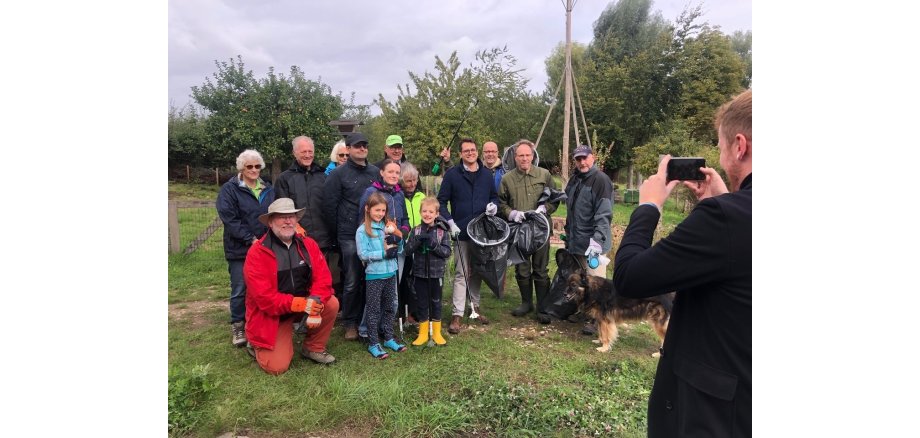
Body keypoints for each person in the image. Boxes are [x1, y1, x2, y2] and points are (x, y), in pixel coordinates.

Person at [613, 89, 751, 437]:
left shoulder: (726, 219)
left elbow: (630, 277)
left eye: (720, 148)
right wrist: (730, 200)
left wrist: (648, 206)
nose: (720, 159)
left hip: (715, 417)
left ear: (739, 146)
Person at [243, 198, 339, 374]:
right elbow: (265, 299)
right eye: (282, 217)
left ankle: (313, 347)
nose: (288, 221)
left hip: (303, 305)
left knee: (331, 303)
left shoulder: (308, 244)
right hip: (272, 314)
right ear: (271, 222)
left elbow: (323, 279)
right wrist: (301, 304)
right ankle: (255, 342)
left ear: (296, 220)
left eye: (292, 216)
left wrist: (315, 300)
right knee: (277, 367)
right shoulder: (257, 253)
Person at [436, 137, 499, 334]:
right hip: (461, 231)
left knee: (478, 270)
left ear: (477, 151)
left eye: (473, 150)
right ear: (460, 154)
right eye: (466, 151)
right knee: (461, 272)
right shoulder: (453, 175)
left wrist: (493, 206)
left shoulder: (487, 175)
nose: (470, 153)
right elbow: (441, 201)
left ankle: (474, 307)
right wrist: (450, 223)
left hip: (481, 231)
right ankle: (457, 312)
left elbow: (494, 196)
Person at [322, 132, 380, 341]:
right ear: (348, 149)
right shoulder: (338, 174)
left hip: (372, 233)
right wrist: (336, 234)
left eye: (364, 145)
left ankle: (371, 318)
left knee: (371, 277)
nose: (362, 149)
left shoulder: (375, 172)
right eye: (357, 146)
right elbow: (329, 206)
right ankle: (350, 322)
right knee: (352, 279)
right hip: (348, 235)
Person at [495, 139, 558, 324]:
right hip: (519, 231)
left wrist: (545, 209)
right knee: (522, 269)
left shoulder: (544, 175)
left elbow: (555, 199)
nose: (524, 158)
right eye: (520, 155)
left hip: (541, 230)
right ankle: (526, 303)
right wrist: (511, 213)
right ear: (515, 157)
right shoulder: (507, 179)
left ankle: (542, 307)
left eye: (527, 155)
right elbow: (501, 203)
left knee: (541, 269)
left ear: (533, 156)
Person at [216, 149, 275, 347]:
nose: (253, 170)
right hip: (240, 248)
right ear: (241, 167)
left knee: (264, 286)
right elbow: (229, 219)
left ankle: (260, 322)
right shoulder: (230, 189)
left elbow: (273, 215)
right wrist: (250, 239)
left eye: (257, 166)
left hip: (266, 247)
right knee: (240, 287)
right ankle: (238, 325)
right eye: (249, 166)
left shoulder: (268, 187)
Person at [275, 136, 339, 299]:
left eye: (310, 151)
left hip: (322, 237)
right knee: (301, 277)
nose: (307, 155)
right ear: (295, 153)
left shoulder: (323, 175)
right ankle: (299, 312)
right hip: (298, 238)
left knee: (321, 277)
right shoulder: (285, 178)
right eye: (303, 151)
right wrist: (295, 227)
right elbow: (282, 208)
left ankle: (320, 308)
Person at [563, 144, 614, 335]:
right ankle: (585, 313)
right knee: (581, 281)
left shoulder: (600, 181)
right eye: (578, 159)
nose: (582, 162)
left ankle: (598, 320)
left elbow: (604, 215)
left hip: (594, 244)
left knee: (597, 285)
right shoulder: (575, 179)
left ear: (592, 158)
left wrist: (597, 243)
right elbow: (570, 208)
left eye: (585, 158)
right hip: (577, 242)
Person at [356, 159, 409, 340]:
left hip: (396, 248)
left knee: (391, 294)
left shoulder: (399, 194)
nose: (394, 175)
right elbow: (363, 220)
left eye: (397, 172)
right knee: (374, 297)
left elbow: (406, 220)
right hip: (377, 251)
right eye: (390, 172)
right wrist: (379, 244)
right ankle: (365, 329)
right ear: (382, 172)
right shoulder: (371, 192)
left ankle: (385, 329)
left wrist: (400, 234)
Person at [404, 197, 452, 346]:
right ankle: (423, 333)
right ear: (420, 212)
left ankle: (436, 332)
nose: (427, 214)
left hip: (436, 274)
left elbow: (447, 252)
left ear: (436, 214)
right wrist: (416, 242)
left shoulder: (442, 232)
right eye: (424, 211)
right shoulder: (416, 230)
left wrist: (434, 245)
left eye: (431, 212)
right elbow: (407, 251)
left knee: (436, 302)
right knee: (422, 302)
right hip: (419, 273)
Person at [400, 162, 426, 323]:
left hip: (419, 243)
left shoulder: (421, 197)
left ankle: (415, 313)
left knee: (417, 279)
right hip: (404, 243)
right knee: (404, 279)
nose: (412, 184)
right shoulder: (398, 197)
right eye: (408, 180)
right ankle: (402, 311)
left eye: (414, 180)